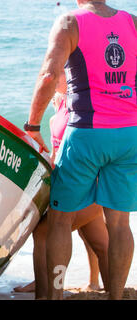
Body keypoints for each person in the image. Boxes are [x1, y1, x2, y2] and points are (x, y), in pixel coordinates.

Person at [25, 0, 136, 300]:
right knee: (120, 223)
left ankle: (56, 295)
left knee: (60, 220)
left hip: (87, 132)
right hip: (129, 133)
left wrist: (34, 124)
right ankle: (116, 297)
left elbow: (50, 74)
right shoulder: (132, 22)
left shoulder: (69, 23)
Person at [15, 74, 109, 299]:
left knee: (44, 232)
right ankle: (108, 289)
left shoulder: (83, 107)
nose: (56, 77)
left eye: (62, 73)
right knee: (99, 243)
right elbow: (57, 153)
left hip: (89, 187)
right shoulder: (60, 109)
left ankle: (44, 292)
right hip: (71, 184)